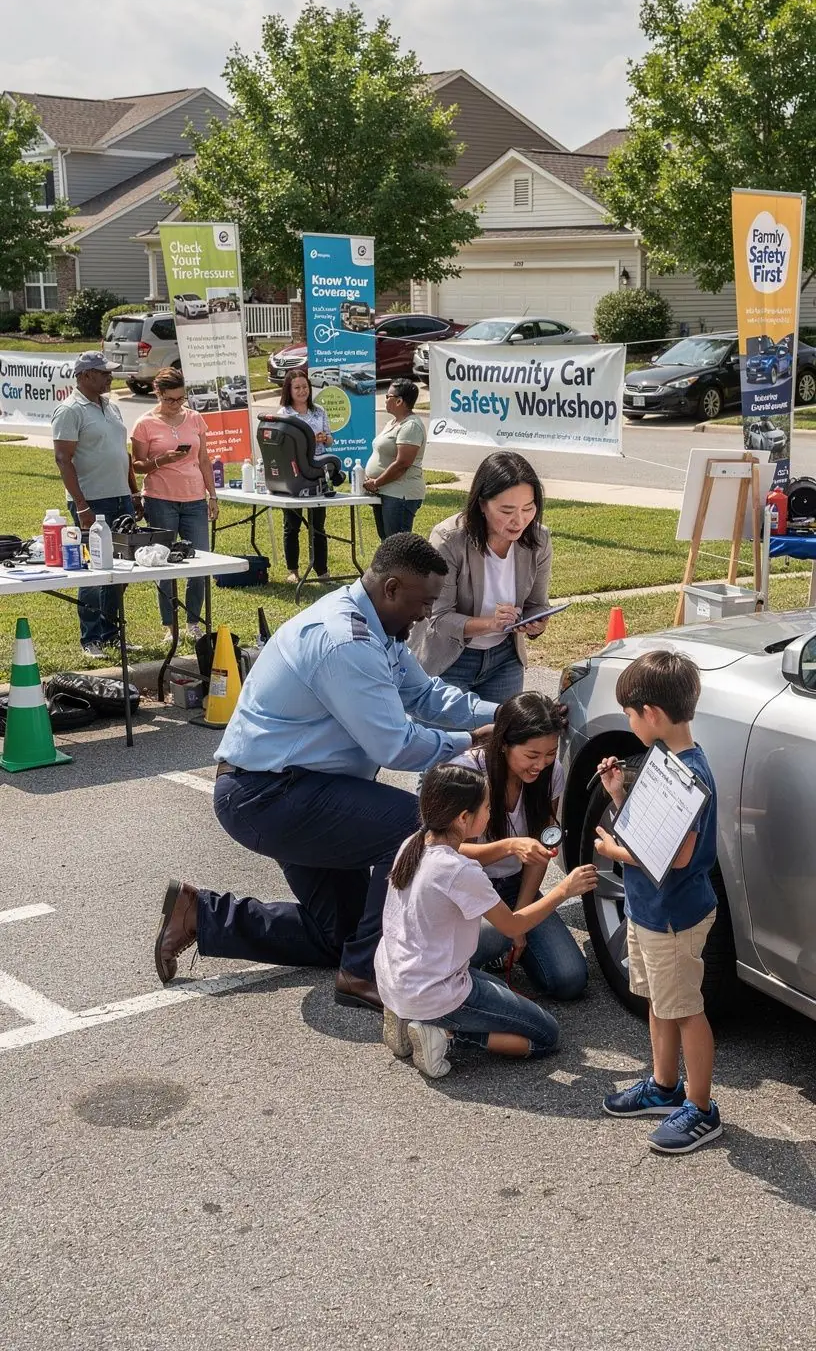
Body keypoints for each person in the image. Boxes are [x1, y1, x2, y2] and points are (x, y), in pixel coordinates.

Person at [153, 533, 499, 1011]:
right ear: (392, 588)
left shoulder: (376, 625)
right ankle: (362, 975)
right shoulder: (346, 643)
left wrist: (501, 715)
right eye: (423, 603)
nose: (425, 615)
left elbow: (425, 696)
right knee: (415, 826)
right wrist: (471, 741)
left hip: (298, 790)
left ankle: (201, 916)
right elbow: (395, 745)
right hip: (268, 796)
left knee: (343, 932)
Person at [375, 762, 598, 1078]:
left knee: (497, 983)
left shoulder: (413, 844)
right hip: (433, 991)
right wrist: (564, 890)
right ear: (463, 818)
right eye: (487, 808)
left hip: (396, 977)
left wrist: (510, 846)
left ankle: (406, 1016)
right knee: (546, 1035)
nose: (491, 814)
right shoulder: (459, 871)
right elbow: (513, 926)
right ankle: (444, 1034)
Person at [593, 650, 722, 1155]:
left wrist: (613, 852)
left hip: (673, 918)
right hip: (648, 910)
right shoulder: (664, 760)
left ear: (650, 712)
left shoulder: (689, 776)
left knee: (686, 1010)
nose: (628, 722)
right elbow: (653, 829)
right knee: (659, 1002)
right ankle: (664, 1086)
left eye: (629, 713)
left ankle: (701, 1108)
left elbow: (675, 855)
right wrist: (618, 795)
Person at [452, 692, 589, 1000]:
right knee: (490, 940)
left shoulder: (552, 773)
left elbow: (542, 848)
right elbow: (448, 854)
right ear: (504, 743)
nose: (541, 764)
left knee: (569, 978)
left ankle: (489, 954)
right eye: (532, 755)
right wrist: (510, 847)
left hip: (514, 885)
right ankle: (463, 971)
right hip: (467, 886)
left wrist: (522, 918)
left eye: (550, 753)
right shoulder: (469, 774)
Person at [410, 451, 552, 702]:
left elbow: (537, 604)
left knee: (502, 727)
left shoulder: (539, 538)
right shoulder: (448, 539)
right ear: (482, 504)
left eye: (528, 508)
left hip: (505, 658)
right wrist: (491, 624)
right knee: (450, 728)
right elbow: (438, 617)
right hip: (448, 659)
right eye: (507, 510)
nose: (519, 520)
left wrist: (536, 623)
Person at [51, 350, 142, 658]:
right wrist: (82, 505)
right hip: (91, 502)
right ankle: (90, 638)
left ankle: (111, 633)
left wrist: (133, 492)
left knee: (121, 569)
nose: (110, 377)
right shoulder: (69, 410)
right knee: (91, 571)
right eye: (104, 373)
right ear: (85, 375)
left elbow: (122, 453)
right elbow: (63, 459)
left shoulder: (111, 406)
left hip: (120, 498)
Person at [130, 367, 218, 643]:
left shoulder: (195, 419)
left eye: (181, 399)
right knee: (164, 563)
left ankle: (193, 622)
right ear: (157, 394)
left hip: (194, 499)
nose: (176, 404)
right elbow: (136, 465)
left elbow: (204, 459)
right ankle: (170, 626)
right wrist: (163, 460)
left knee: (200, 562)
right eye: (170, 399)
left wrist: (212, 495)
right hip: (160, 499)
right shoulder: (144, 424)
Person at [276, 369, 333, 583]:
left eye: (305, 387)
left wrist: (324, 438)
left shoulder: (319, 411)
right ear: (289, 390)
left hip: (318, 472)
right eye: (297, 387)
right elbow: (280, 443)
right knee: (292, 524)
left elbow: (330, 440)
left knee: (318, 525)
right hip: (293, 473)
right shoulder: (284, 414)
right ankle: (293, 570)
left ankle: (322, 570)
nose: (302, 391)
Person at [363, 378, 427, 539]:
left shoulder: (411, 426)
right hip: (384, 491)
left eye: (388, 396)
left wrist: (376, 483)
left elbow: (402, 464)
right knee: (387, 542)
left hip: (400, 493)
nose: (385, 399)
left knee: (397, 545)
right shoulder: (393, 423)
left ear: (399, 401)